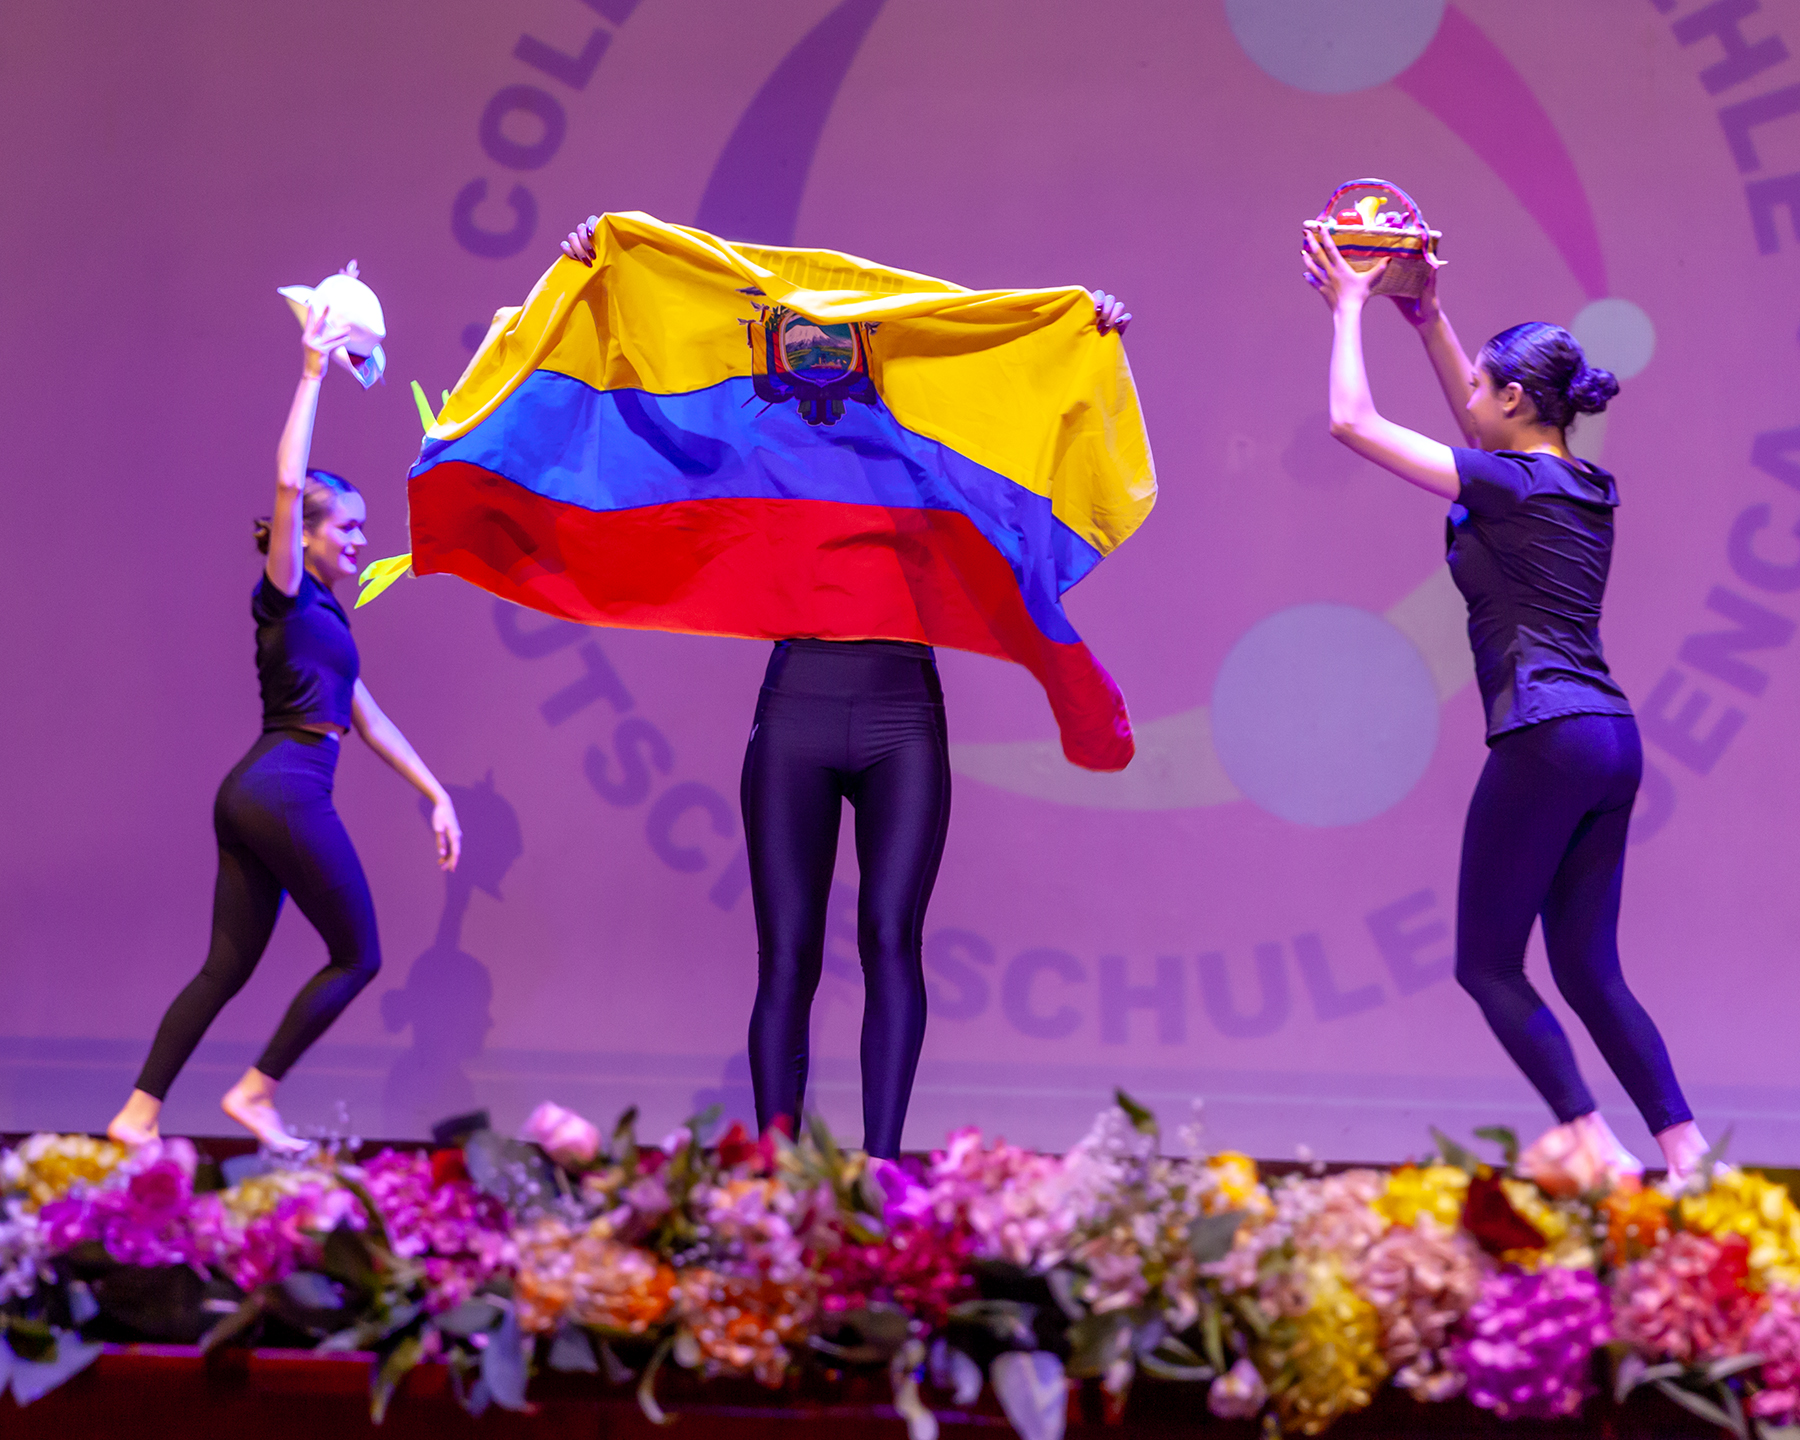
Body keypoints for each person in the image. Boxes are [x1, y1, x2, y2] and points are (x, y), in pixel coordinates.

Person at [560, 217, 1130, 1157]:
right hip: (797, 711)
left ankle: (884, 1172)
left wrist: (1079, 330)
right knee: (785, 957)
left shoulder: (930, 449)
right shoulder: (760, 440)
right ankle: (780, 1178)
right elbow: (656, 415)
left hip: (903, 714)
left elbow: (1017, 405)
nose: (828, 353)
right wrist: (602, 277)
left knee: (891, 939)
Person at [1301, 223, 1710, 1189]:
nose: (1471, 402)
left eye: (1485, 386)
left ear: (1517, 396)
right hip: (1610, 738)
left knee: (1487, 965)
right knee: (1589, 971)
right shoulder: (1581, 483)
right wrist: (1430, 321)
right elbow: (1485, 431)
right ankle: (1690, 1156)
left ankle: (1595, 1147)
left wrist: (1352, 309)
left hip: (1545, 733)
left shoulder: (1507, 483)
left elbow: (1352, 423)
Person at [108, 284, 462, 1153]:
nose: (361, 540)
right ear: (303, 536)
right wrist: (311, 372)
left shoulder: (329, 624)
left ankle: (137, 1115)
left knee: (224, 968)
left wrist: (436, 794)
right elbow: (287, 479)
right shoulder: (286, 592)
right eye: (348, 527)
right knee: (359, 955)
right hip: (285, 787)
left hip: (256, 791)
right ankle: (254, 1095)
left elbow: (371, 721)